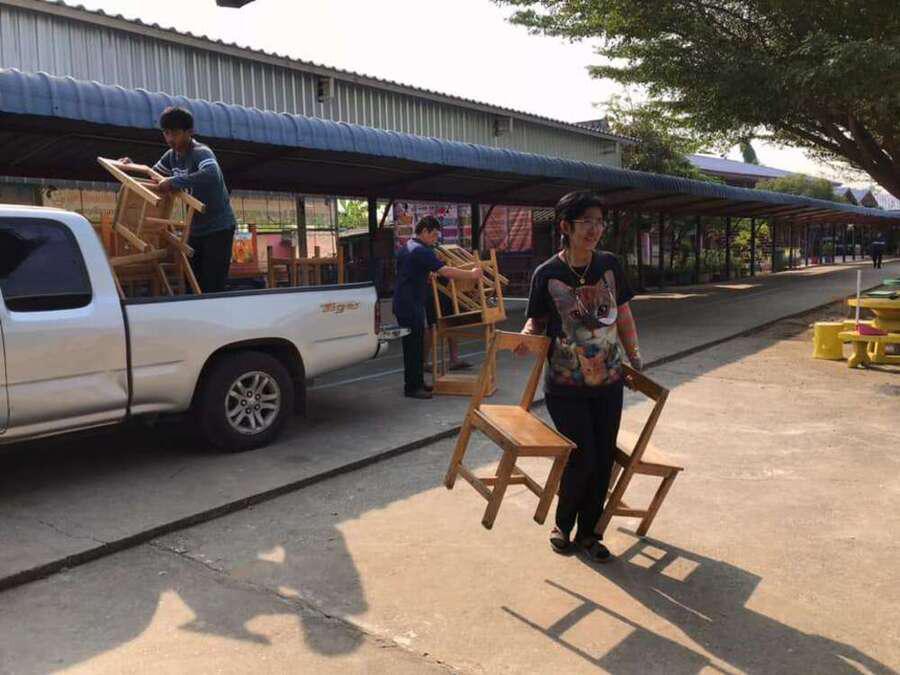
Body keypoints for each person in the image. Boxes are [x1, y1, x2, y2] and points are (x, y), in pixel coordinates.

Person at [519, 191, 643, 562]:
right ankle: (563, 525)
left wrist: (634, 354)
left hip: (609, 382)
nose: (594, 229)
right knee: (582, 454)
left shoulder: (609, 265)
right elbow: (537, 321)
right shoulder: (547, 273)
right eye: (586, 221)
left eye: (599, 222)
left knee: (603, 458)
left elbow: (623, 314)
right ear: (565, 226)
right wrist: (526, 336)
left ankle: (590, 533)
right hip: (565, 385)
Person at [120, 106, 237, 293]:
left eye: (175, 133)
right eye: (166, 133)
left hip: (218, 227)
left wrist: (174, 182)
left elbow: (212, 174)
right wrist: (131, 167)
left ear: (189, 132)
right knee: (192, 283)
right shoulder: (171, 156)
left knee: (212, 284)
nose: (170, 139)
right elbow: (154, 177)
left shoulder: (200, 152)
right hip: (195, 229)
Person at [393, 217, 482, 399]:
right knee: (413, 346)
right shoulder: (421, 250)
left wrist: (425, 275)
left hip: (407, 302)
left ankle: (417, 383)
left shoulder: (407, 246)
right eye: (433, 235)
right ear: (424, 231)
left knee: (415, 345)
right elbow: (446, 271)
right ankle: (412, 388)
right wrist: (471, 274)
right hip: (410, 303)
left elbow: (409, 272)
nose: (435, 239)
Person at [425, 276, 472, 373]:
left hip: (448, 287)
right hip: (433, 287)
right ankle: (423, 362)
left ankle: (454, 360)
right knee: (433, 327)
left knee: (452, 322)